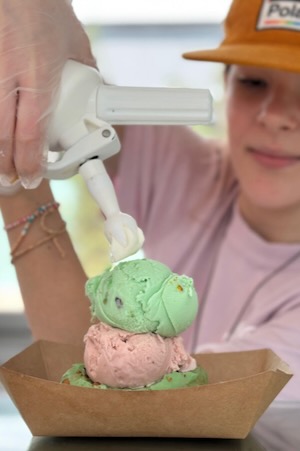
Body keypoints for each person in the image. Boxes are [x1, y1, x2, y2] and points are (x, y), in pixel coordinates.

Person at [1, 0, 300, 401]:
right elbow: (73, 102)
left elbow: (117, 396)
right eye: (253, 83)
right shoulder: (194, 169)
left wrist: (17, 175)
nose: (276, 115)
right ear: (226, 84)